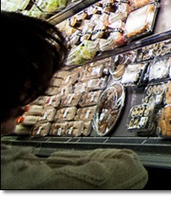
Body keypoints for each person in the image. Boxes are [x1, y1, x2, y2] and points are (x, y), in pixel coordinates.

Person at [1, 11, 148, 189]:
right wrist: (53, 160)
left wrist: (47, 161)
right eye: (25, 89)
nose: (27, 103)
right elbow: (131, 169)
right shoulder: (14, 178)